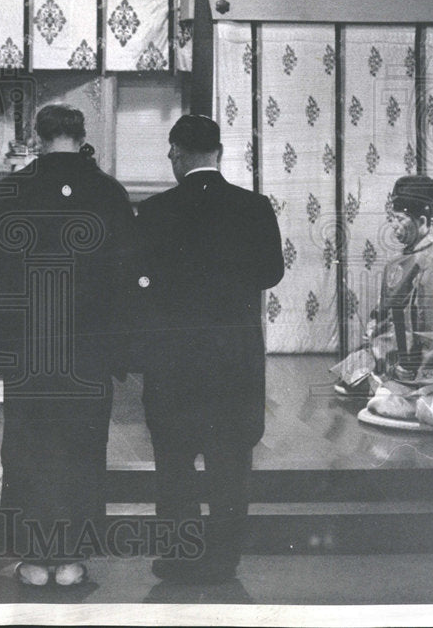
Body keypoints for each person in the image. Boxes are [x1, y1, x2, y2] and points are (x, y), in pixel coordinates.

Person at [0, 104, 138, 588]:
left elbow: (2, 274)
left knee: (27, 445)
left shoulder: (10, 189)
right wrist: (120, 349)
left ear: (37, 136)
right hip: (88, 344)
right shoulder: (109, 191)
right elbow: (124, 277)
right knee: (84, 446)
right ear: (82, 135)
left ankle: (32, 558)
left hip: (30, 343)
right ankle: (72, 559)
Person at [134, 114, 283, 585]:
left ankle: (179, 558)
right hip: (233, 356)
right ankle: (222, 561)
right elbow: (271, 274)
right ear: (219, 153)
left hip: (174, 358)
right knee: (231, 462)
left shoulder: (155, 210)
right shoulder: (254, 206)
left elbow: (139, 281)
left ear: (177, 153)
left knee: (174, 462)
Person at [348, 175, 433, 432]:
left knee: (383, 396)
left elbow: (429, 332)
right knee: (351, 375)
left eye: (399, 219)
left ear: (425, 222)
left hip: (428, 364)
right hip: (410, 355)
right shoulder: (422, 260)